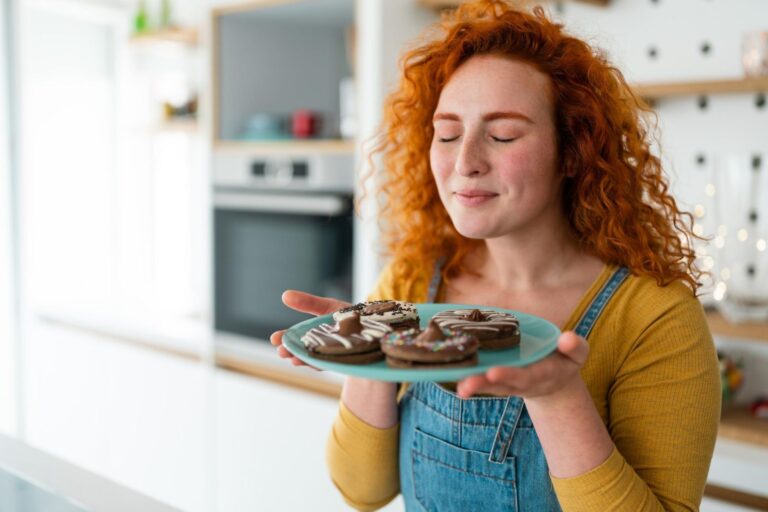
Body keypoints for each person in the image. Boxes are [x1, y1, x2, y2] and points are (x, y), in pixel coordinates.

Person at [271, 1, 721, 510]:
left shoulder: (655, 318)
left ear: (572, 151)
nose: (465, 162)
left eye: (502, 134)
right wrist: (369, 359)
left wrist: (557, 395)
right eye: (447, 134)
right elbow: (362, 489)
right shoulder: (414, 281)